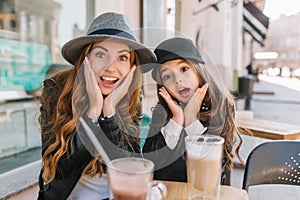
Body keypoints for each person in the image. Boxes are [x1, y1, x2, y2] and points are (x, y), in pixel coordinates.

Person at [37, 12, 156, 200]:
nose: (110, 67)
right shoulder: (56, 92)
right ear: (86, 59)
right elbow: (59, 169)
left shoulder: (131, 98)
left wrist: (109, 114)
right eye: (101, 54)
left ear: (132, 67)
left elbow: (129, 169)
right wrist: (91, 115)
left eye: (122, 58)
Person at [143, 37, 243, 184]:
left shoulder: (221, 105)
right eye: (167, 76)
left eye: (184, 69)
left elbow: (214, 165)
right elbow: (150, 161)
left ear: (198, 70)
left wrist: (191, 120)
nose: (178, 80)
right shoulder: (162, 111)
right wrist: (176, 120)